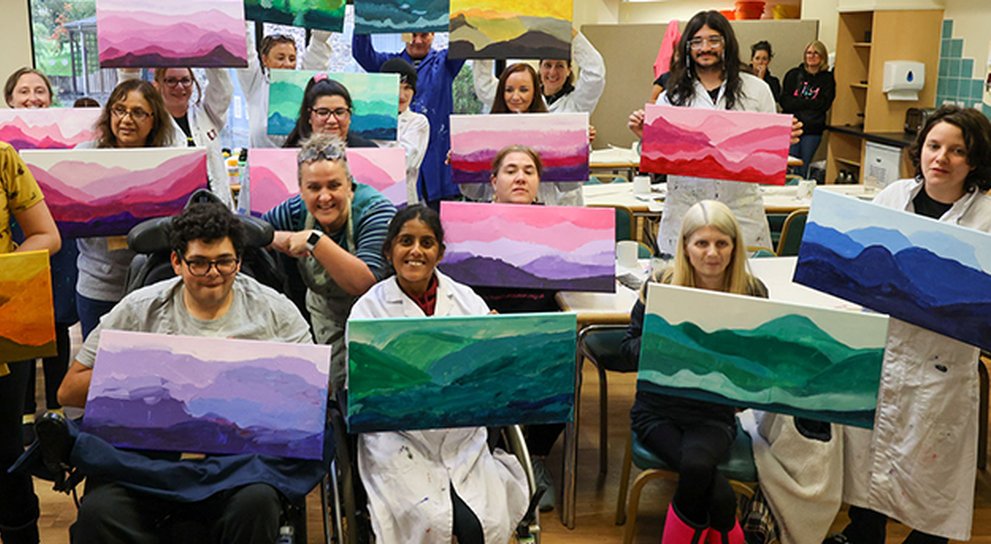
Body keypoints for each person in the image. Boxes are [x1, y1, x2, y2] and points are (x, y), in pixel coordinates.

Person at [50, 201, 322, 544]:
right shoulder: (140, 309)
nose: (214, 273)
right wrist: (156, 368)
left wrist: (249, 373)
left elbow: (312, 398)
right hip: (147, 463)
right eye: (199, 263)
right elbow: (69, 391)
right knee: (99, 513)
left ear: (238, 259)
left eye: (225, 261)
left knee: (256, 504)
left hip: (241, 463)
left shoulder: (274, 311)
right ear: (177, 261)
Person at [828, 105, 991, 544]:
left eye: (957, 151)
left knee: (931, 471)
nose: (942, 158)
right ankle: (863, 533)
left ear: (973, 161)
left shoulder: (986, 218)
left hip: (941, 365)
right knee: (868, 456)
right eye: (934, 146)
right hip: (882, 348)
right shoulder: (893, 196)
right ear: (919, 150)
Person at [348, 205, 529, 544]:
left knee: (479, 525)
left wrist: (499, 344)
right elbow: (362, 392)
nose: (416, 251)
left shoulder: (466, 301)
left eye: (427, 242)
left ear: (440, 253)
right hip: (398, 439)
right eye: (405, 241)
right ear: (389, 251)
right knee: (427, 519)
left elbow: (490, 383)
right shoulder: (368, 309)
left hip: (461, 438)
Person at [621, 200, 765, 543]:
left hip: (713, 414)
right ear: (685, 246)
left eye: (722, 243)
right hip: (658, 412)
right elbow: (627, 351)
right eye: (701, 243)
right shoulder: (660, 284)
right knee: (718, 493)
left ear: (734, 247)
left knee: (701, 471)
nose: (712, 253)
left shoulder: (752, 292)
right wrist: (669, 341)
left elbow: (756, 366)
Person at [628, 10, 800, 258]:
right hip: (686, 210)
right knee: (684, 287)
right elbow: (661, 165)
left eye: (713, 40)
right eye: (696, 41)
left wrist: (780, 142)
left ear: (727, 44)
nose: (704, 47)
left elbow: (765, 162)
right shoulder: (671, 96)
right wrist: (646, 137)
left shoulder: (757, 90)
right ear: (688, 48)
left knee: (741, 287)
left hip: (741, 210)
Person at [467, 145, 563, 513]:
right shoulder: (469, 224)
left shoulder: (558, 226)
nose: (520, 177)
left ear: (538, 182)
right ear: (494, 181)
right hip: (482, 322)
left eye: (528, 171)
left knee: (562, 351)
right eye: (510, 170)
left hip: (538, 326)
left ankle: (535, 455)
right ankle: (490, 452)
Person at [263, 134, 396, 390]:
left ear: (349, 184)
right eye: (314, 188)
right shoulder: (293, 211)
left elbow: (364, 282)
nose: (324, 197)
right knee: (334, 390)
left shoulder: (376, 212)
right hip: (326, 314)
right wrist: (279, 238)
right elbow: (249, 231)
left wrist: (316, 241)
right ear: (301, 189)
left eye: (334, 185)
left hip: (375, 315)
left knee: (370, 387)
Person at [2, 68, 79, 447]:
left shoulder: (66, 135)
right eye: (23, 91)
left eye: (40, 90)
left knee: (56, 318)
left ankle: (52, 409)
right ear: (10, 100)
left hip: (46, 234)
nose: (33, 98)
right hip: (16, 236)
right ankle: (25, 411)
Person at [74, 79, 177, 338]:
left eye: (138, 112)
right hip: (98, 284)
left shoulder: (169, 161)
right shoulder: (84, 156)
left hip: (152, 283)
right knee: (97, 365)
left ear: (154, 119)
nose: (127, 119)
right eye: (119, 110)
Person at [0, 141, 61, 544]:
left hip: (4, 329)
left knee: (6, 460)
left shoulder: (2, 156)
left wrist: (8, 272)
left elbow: (46, 235)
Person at [352, 32, 466, 207]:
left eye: (424, 35)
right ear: (403, 34)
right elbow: (362, 52)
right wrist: (366, 12)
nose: (418, 41)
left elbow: (465, 40)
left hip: (436, 161)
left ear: (434, 34)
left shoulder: (444, 62)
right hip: (385, 186)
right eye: (412, 35)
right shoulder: (388, 65)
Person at [463, 65, 583, 206]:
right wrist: (463, 163)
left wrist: (577, 150)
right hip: (497, 216)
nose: (515, 96)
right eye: (509, 90)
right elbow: (474, 192)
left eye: (524, 90)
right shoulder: (483, 133)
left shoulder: (553, 131)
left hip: (541, 212)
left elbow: (569, 185)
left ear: (535, 92)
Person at [117, 68, 234, 207]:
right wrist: (128, 72)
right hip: (172, 213)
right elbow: (128, 102)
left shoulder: (207, 114)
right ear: (157, 84)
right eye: (171, 81)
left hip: (215, 210)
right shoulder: (150, 122)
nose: (179, 87)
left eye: (185, 80)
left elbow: (223, 89)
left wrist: (212, 56)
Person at [472, 29, 605, 115]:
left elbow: (595, 74)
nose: (552, 72)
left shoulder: (577, 103)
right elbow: (484, 85)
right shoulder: (523, 97)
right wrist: (484, 41)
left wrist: (571, 34)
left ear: (569, 70)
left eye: (559, 66)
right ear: (540, 68)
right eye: (547, 65)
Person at [236, 31, 334, 148]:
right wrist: (242, 22)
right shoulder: (256, 85)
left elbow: (315, 60)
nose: (287, 64)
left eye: (292, 59)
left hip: (298, 163)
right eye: (280, 58)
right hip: (261, 164)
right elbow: (246, 54)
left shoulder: (302, 86)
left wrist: (319, 39)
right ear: (265, 59)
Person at [373, 58, 430, 206]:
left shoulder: (418, 122)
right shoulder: (366, 121)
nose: (402, 95)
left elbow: (402, 162)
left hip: (401, 202)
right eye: (397, 87)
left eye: (407, 88)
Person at [780, 40, 835, 178]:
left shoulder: (827, 79)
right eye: (809, 53)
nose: (812, 56)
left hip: (812, 129)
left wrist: (799, 102)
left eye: (816, 53)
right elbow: (785, 101)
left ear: (822, 57)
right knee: (789, 166)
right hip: (792, 127)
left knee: (803, 167)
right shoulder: (793, 75)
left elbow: (824, 104)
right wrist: (809, 103)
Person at [282, 75, 378, 149]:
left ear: (349, 115)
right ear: (309, 116)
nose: (332, 120)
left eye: (339, 112)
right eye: (323, 112)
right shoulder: (290, 155)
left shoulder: (369, 151)